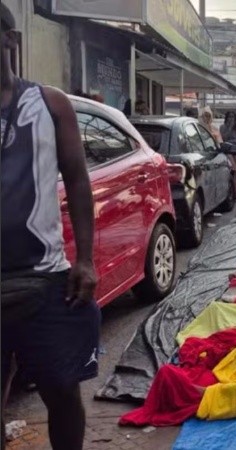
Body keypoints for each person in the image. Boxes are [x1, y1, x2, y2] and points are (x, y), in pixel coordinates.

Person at [1, 6, 99, 448]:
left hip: (45, 281)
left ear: (9, 41)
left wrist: (85, 258)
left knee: (62, 394)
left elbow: (78, 180)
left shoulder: (49, 104)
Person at [220, 111, 236, 202]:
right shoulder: (223, 127)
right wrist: (229, 129)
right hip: (228, 151)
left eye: (233, 117)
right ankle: (235, 193)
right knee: (234, 170)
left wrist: (231, 142)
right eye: (229, 117)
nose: (231, 119)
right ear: (227, 118)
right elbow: (223, 139)